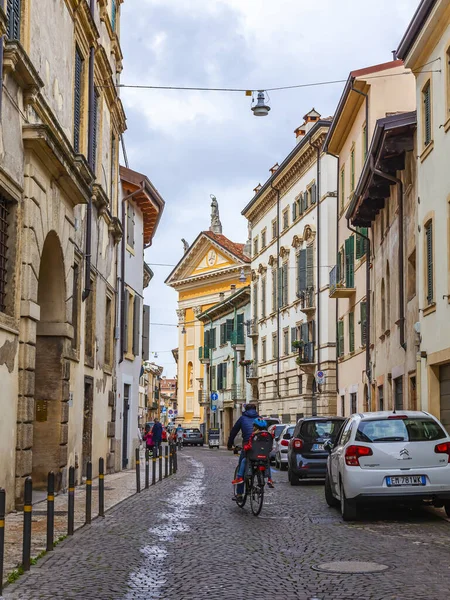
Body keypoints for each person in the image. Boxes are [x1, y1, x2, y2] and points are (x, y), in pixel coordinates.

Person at [232, 419, 274, 488]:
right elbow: (270, 447)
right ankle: (270, 479)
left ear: (256, 427)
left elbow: (249, 446)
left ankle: (239, 477)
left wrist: (244, 447)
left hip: (253, 458)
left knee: (243, 461)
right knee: (267, 462)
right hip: (264, 458)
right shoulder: (268, 436)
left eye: (253, 426)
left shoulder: (254, 436)